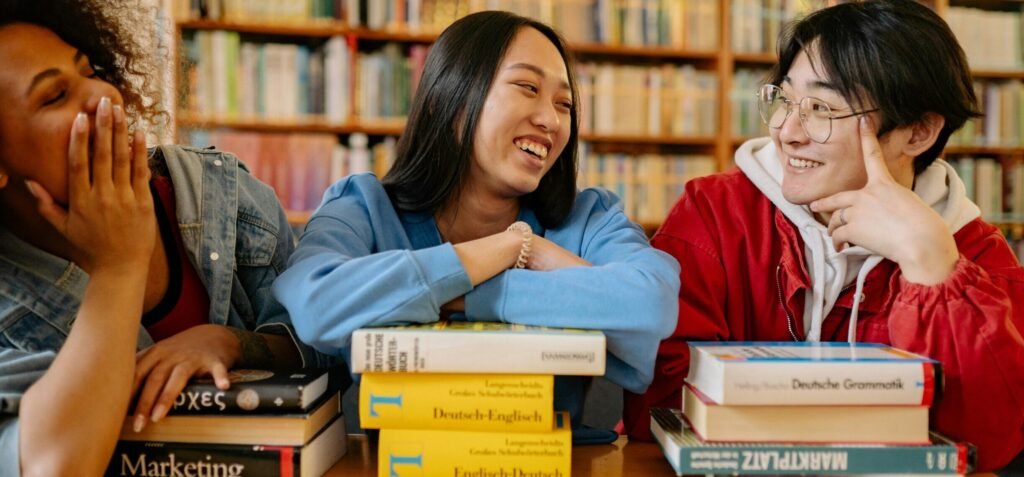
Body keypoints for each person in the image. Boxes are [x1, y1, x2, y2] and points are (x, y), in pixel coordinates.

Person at [622, 0, 1024, 471]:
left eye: (822, 108)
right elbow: (657, 404)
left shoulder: (975, 254)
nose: (786, 131)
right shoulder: (714, 213)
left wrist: (932, 268)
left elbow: (988, 444)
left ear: (918, 132)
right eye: (786, 99)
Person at [273, 10, 679, 435]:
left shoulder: (587, 219)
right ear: (447, 100)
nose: (552, 120)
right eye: (528, 87)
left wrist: (470, 292)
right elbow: (317, 301)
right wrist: (503, 250)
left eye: (565, 104)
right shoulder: (364, 207)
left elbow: (649, 301)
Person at [0, 1, 328, 475]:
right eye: (54, 97)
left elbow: (326, 351)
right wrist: (118, 267)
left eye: (89, 70)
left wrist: (229, 341)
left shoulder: (227, 196)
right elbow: (49, 466)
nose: (100, 96)